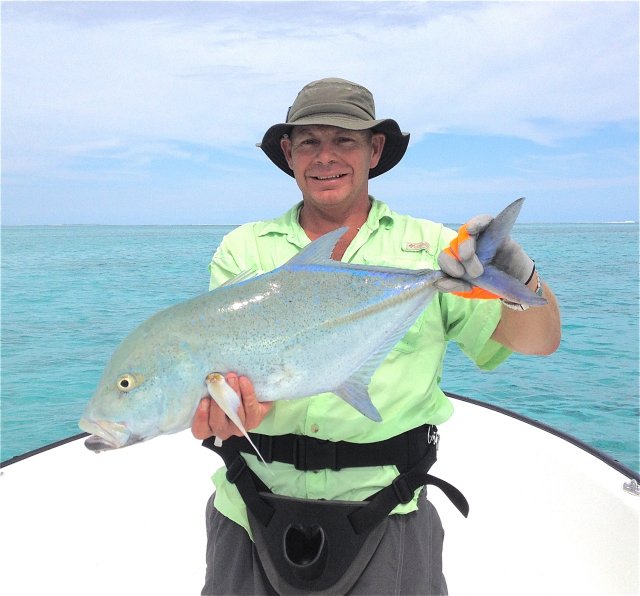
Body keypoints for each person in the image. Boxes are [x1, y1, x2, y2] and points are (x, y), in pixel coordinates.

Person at [192, 78, 561, 595]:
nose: (326, 157)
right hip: (249, 508)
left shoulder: (434, 250)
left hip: (388, 511)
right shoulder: (244, 251)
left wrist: (520, 278)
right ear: (288, 153)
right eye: (309, 142)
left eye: (345, 140)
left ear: (375, 149)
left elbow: (539, 342)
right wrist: (230, 413)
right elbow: (229, 376)